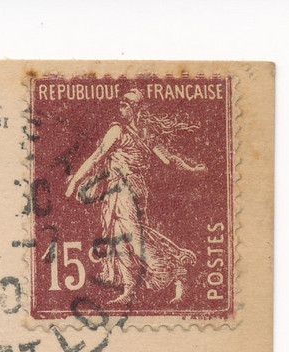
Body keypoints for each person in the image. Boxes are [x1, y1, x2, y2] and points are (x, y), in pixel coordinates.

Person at [62, 89, 206, 306]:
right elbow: (97, 156)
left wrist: (191, 168)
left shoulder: (135, 133)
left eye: (127, 103)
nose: (122, 106)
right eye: (121, 102)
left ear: (137, 108)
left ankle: (173, 268)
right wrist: (75, 181)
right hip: (122, 189)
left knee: (132, 237)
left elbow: (168, 159)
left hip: (127, 188)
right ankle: (130, 288)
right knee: (121, 236)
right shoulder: (119, 130)